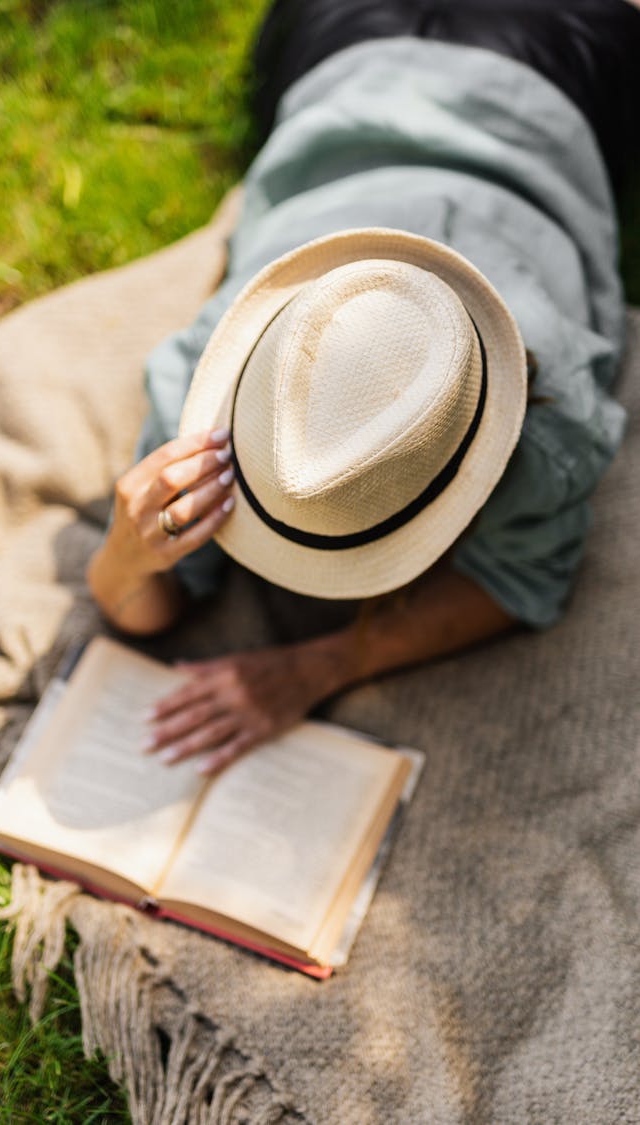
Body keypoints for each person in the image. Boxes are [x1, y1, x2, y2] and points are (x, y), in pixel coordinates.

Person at [88, 0, 640, 776]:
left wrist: (321, 666)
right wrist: (124, 547)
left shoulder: (546, 426)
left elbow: (523, 583)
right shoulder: (201, 401)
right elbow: (142, 607)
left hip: (545, 63)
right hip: (355, 54)